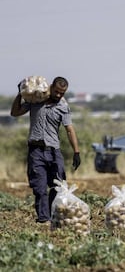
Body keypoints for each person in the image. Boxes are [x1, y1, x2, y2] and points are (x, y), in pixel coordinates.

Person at [10, 76, 81, 224]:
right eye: (56, 91)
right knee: (40, 188)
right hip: (36, 152)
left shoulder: (63, 106)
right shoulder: (36, 101)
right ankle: (43, 219)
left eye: (62, 93)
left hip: (54, 151)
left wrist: (76, 152)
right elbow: (15, 113)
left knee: (59, 185)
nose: (59, 95)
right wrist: (20, 94)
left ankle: (52, 215)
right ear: (50, 88)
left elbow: (69, 130)